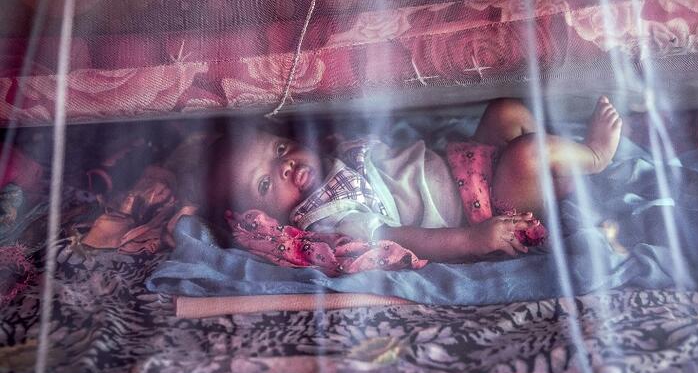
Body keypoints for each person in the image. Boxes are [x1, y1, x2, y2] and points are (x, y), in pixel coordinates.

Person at [209, 97, 622, 263]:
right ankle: (595, 157)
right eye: (265, 185)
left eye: (279, 149)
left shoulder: (332, 166)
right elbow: (398, 238)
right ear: (262, 218)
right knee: (526, 153)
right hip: (482, 212)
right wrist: (475, 241)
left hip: (468, 167)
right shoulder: (328, 220)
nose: (284, 166)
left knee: (505, 112)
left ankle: (555, 178)